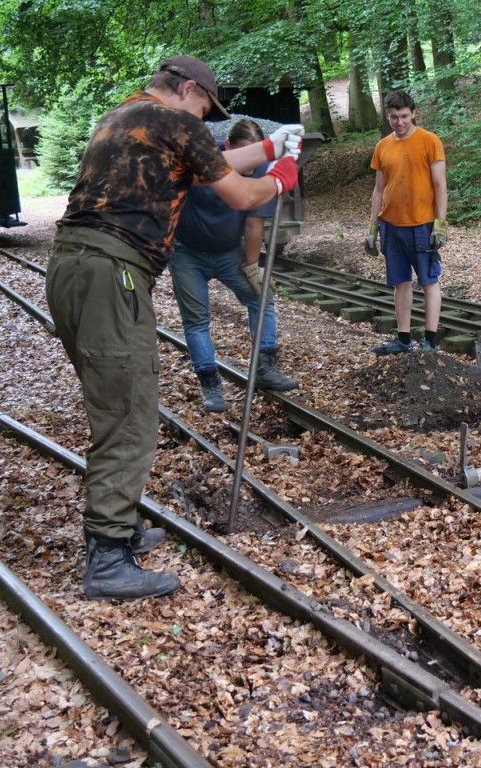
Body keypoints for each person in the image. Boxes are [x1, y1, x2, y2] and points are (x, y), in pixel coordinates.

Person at [45, 55, 303, 600]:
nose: (204, 117)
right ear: (187, 89)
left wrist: (274, 145)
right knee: (130, 409)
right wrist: (280, 177)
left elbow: (212, 159)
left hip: (72, 268)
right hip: (111, 273)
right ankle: (108, 557)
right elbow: (238, 192)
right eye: (204, 105)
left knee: (116, 399)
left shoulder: (124, 116)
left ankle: (118, 528)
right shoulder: (177, 123)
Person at [169, 117, 298, 413]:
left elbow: (254, 224)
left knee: (261, 297)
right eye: (244, 154)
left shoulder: (262, 167)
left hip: (228, 251)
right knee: (197, 319)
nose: (251, 166)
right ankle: (210, 383)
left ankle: (266, 367)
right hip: (187, 252)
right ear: (228, 147)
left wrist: (252, 268)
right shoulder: (203, 159)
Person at [364, 90, 448, 354]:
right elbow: (379, 189)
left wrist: (440, 225)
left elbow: (440, 186)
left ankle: (430, 341)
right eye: (393, 117)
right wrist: (372, 229)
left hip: (422, 224)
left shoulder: (429, 141)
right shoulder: (383, 146)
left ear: (413, 113)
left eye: (403, 116)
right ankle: (402, 339)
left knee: (428, 281)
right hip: (390, 224)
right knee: (400, 282)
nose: (399, 122)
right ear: (387, 117)